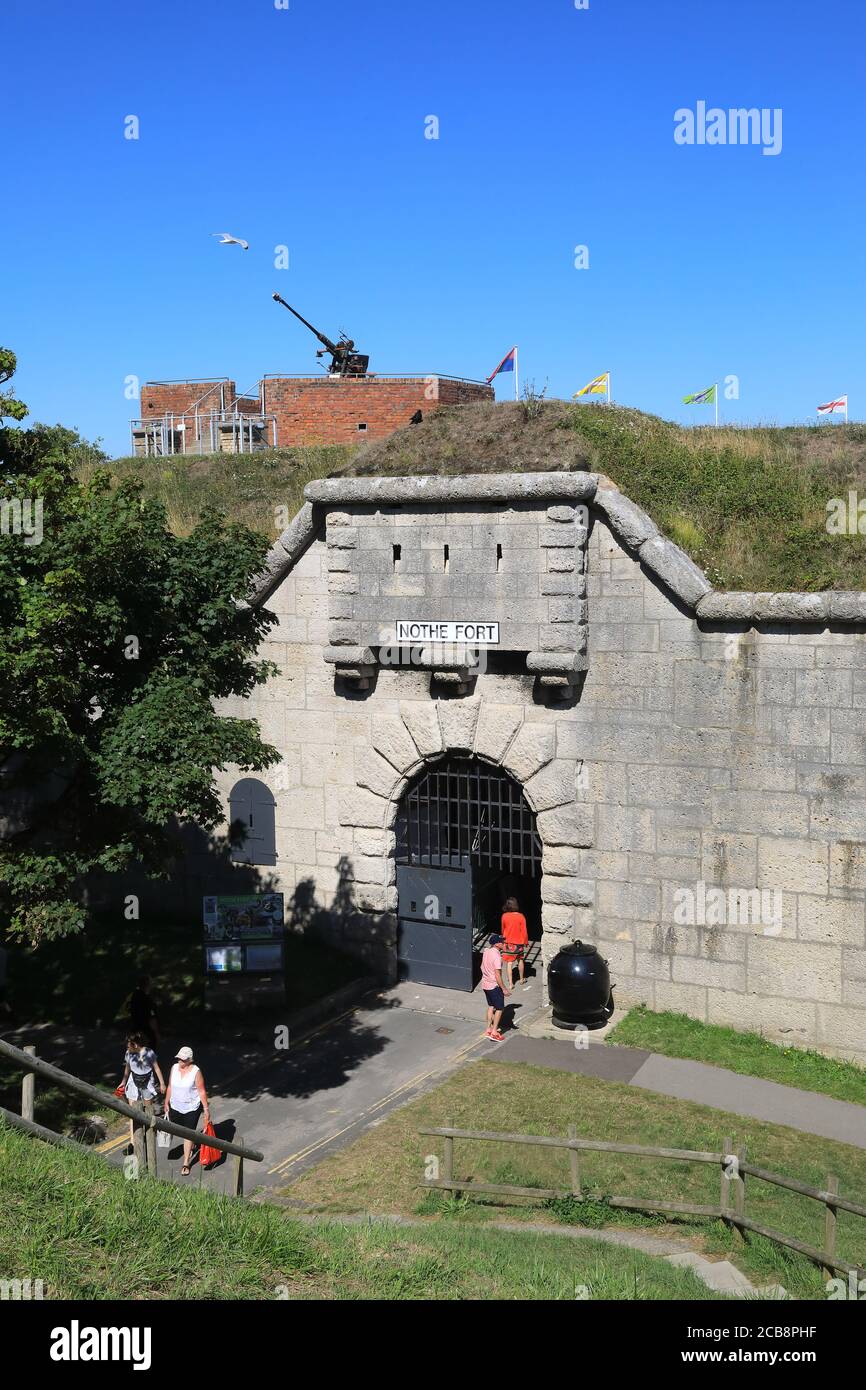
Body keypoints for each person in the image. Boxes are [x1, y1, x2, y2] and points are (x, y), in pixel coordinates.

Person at [164, 1046, 210, 1177]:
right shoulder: (174, 1068)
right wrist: (166, 1101)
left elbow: (201, 1091)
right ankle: (192, 1143)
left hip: (191, 1108)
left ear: (190, 1060)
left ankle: (186, 1162)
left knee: (188, 1134)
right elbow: (170, 1086)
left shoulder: (196, 1071)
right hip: (175, 1106)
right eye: (179, 1058)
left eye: (183, 1059)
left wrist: (206, 1109)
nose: (180, 1061)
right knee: (178, 1128)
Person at [119, 1032, 166, 1148]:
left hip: (147, 1083)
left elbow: (156, 1068)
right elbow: (127, 1068)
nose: (127, 1047)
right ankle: (132, 1141)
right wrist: (123, 1082)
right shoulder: (129, 1054)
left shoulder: (149, 1053)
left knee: (148, 1110)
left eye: (129, 1045)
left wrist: (162, 1083)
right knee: (132, 1111)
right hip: (133, 1082)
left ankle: (149, 1132)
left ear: (135, 1045)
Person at [480, 933, 511, 1042]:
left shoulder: (486, 952)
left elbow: (482, 966)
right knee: (499, 1008)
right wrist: (504, 989)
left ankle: (488, 1029)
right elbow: (497, 974)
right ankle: (494, 1032)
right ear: (497, 944)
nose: (504, 943)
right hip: (494, 986)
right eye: (502, 942)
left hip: (485, 984)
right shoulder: (497, 956)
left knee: (490, 1006)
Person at [501, 896, 530, 992]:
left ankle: (510, 984)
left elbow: (503, 929)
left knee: (509, 963)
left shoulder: (504, 916)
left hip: (508, 943)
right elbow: (524, 931)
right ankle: (521, 979)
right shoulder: (521, 916)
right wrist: (525, 942)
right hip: (518, 943)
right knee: (520, 960)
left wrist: (503, 939)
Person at [128, 975, 160, 1047]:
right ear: (147, 984)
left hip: (135, 1030)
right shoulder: (146, 999)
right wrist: (156, 1033)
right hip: (145, 1032)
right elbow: (151, 1017)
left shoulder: (134, 995)